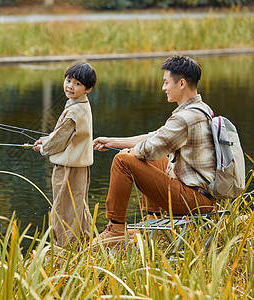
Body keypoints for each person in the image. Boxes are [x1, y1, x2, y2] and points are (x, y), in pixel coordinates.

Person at [92, 55, 216, 245]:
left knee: (122, 161)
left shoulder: (184, 118)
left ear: (181, 83)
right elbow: (155, 136)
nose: (163, 88)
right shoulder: (200, 109)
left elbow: (147, 150)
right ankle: (153, 222)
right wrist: (114, 141)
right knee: (146, 158)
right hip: (202, 195)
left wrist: (126, 154)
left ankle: (116, 229)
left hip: (192, 201)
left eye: (166, 82)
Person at [33, 62, 97, 248]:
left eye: (77, 83)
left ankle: (64, 250)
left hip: (68, 168)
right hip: (80, 167)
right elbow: (65, 135)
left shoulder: (74, 110)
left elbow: (60, 139)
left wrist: (45, 148)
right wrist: (47, 140)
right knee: (78, 206)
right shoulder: (81, 104)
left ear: (88, 88)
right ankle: (83, 244)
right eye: (68, 80)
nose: (70, 86)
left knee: (63, 208)